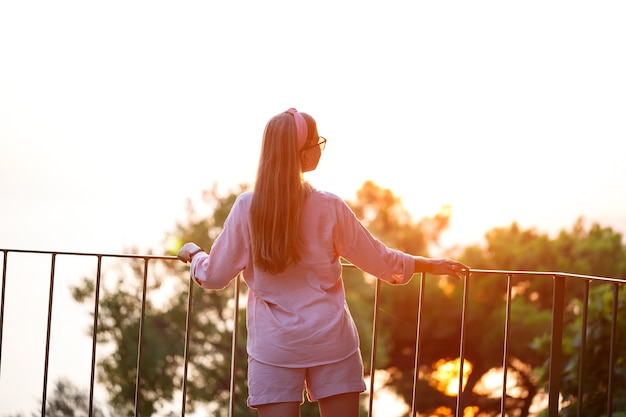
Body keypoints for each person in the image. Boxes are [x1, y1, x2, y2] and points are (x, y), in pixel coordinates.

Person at [177, 108, 469, 417]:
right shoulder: (329, 206)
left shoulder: (246, 207)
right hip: (332, 342)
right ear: (301, 155)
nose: (320, 148)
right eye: (318, 142)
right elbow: (379, 260)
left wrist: (195, 255)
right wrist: (428, 264)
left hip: (274, 348)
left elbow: (214, 277)